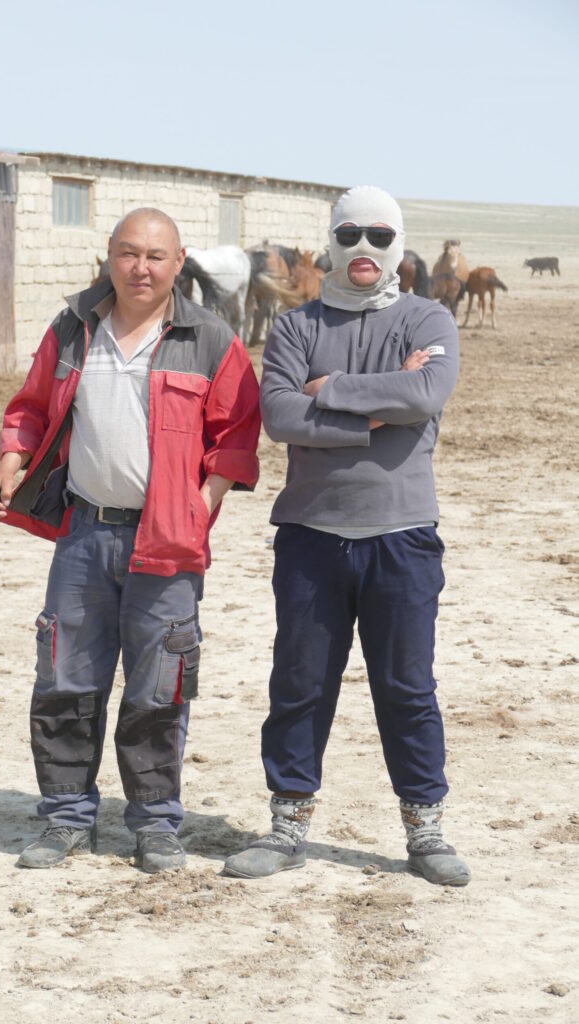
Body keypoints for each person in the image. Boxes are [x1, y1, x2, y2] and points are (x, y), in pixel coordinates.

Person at [0, 208, 260, 872]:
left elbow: (236, 437)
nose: (141, 268)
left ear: (178, 262)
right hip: (83, 534)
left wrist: (198, 508)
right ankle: (65, 818)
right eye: (129, 253)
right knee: (65, 680)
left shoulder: (211, 339)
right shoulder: (73, 327)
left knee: (159, 686)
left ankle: (155, 825)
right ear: (109, 255)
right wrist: (8, 466)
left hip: (166, 543)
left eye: (156, 256)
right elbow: (31, 409)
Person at [223, 186, 470, 886]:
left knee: (407, 688)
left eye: (380, 236)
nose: (364, 248)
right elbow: (279, 415)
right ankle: (286, 826)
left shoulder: (428, 318)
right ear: (330, 239)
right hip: (310, 533)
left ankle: (424, 830)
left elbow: (425, 396)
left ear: (398, 243)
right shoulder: (296, 325)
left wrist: (325, 387)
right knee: (299, 685)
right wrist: (377, 410)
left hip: (402, 535)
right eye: (350, 233)